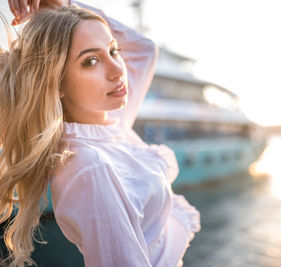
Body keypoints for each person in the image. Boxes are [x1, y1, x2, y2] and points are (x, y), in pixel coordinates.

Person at [0, 1, 201, 266]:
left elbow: (144, 50)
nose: (119, 71)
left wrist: (65, 5)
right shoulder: (89, 167)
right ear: (57, 81)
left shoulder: (107, 121)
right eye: (91, 61)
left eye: (114, 50)